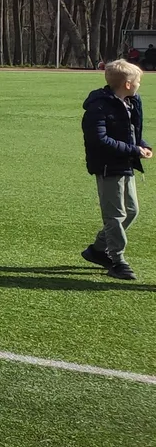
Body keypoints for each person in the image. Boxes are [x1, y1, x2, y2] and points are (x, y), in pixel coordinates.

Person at [80, 59, 147, 281]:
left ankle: (98, 249)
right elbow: (99, 140)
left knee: (132, 211)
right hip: (108, 166)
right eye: (138, 81)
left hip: (125, 163)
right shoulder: (99, 106)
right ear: (127, 84)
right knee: (115, 215)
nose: (139, 84)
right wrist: (133, 149)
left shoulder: (130, 102)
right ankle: (117, 260)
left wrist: (142, 145)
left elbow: (131, 132)